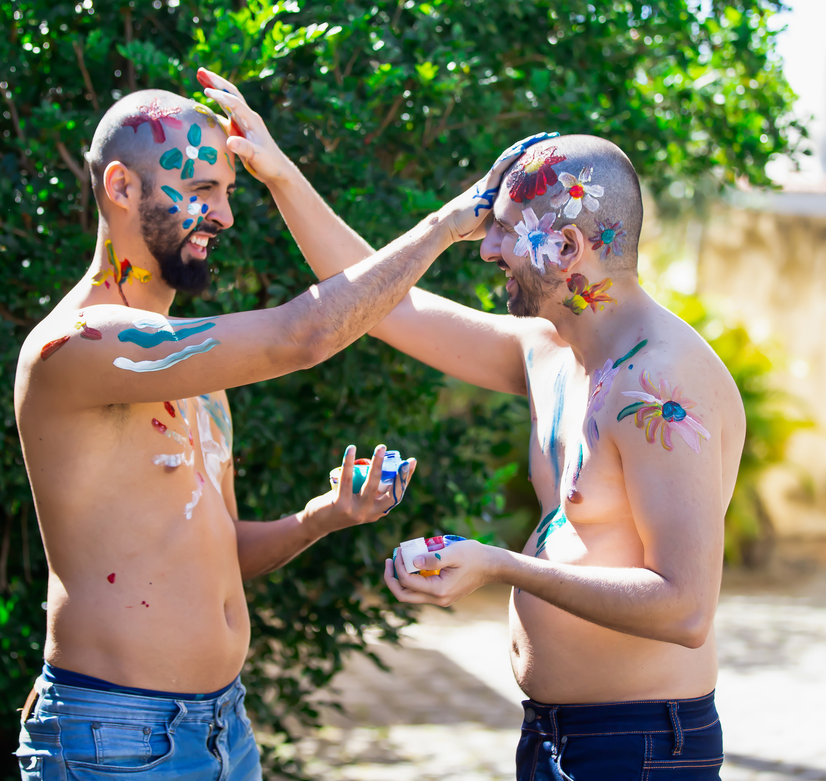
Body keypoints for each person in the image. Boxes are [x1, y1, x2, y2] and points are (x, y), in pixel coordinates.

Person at [12, 68, 536, 781]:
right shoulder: (78, 347)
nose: (225, 216)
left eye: (229, 192)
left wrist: (323, 516)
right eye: (203, 189)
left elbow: (220, 549)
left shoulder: (193, 378)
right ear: (122, 187)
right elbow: (302, 335)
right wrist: (447, 225)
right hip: (115, 738)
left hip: (224, 730)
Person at [271, 124, 744, 777]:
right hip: (554, 735)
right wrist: (278, 173)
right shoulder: (550, 351)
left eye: (503, 231)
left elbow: (685, 608)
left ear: (569, 246)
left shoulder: (660, 384)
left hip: (639, 745)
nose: (488, 248)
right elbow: (380, 304)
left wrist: (497, 565)